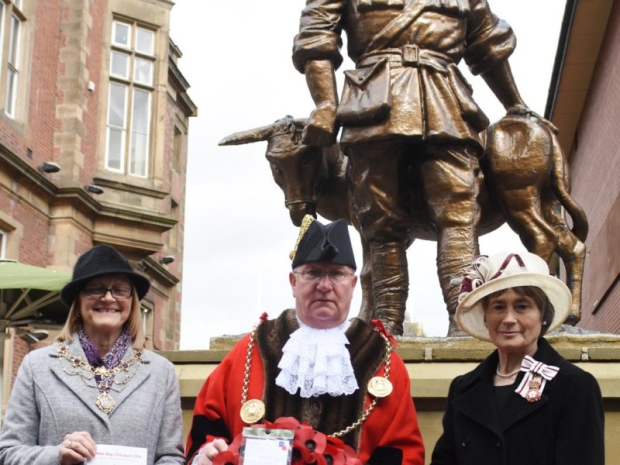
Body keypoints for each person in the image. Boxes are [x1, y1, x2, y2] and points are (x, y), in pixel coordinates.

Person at [292, 0, 533, 335]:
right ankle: (385, 324)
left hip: (447, 102)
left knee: (459, 214)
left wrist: (515, 104)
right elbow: (317, 39)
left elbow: (489, 43)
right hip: (372, 104)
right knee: (380, 222)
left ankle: (464, 321)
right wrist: (325, 103)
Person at [186, 216, 424, 465]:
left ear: (353, 285)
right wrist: (206, 453)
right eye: (312, 273)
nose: (324, 285)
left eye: (336, 274)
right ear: (293, 282)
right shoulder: (249, 350)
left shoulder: (383, 361)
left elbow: (402, 451)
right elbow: (207, 428)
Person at [0, 245, 185, 465]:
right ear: (77, 301)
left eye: (120, 289)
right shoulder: (36, 366)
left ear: (132, 303)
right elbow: (8, 453)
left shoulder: (160, 372)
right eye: (95, 289)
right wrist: (56, 455)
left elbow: (171, 457)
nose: (108, 298)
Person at [430, 251, 605, 465]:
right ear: (486, 317)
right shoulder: (462, 388)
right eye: (498, 307)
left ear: (543, 316)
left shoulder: (575, 386)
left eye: (522, 306)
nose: (509, 319)